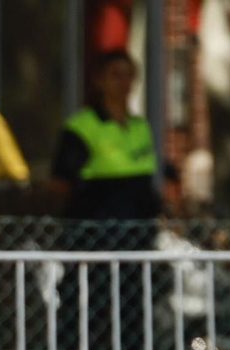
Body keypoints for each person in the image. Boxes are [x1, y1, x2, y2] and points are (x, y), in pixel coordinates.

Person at [51, 49, 161, 221]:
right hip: (99, 230)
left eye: (129, 75)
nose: (124, 82)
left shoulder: (141, 126)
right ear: (99, 81)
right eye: (116, 75)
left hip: (140, 227)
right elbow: (61, 181)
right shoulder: (82, 126)